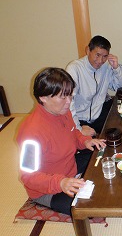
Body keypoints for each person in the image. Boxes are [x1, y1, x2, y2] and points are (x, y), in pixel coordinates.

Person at [17, 67, 106, 215]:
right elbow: (28, 177)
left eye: (70, 95)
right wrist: (61, 182)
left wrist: (85, 142)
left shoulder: (63, 111)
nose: (68, 102)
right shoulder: (31, 133)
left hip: (70, 167)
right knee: (90, 209)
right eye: (63, 97)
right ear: (43, 98)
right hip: (48, 189)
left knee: (103, 154)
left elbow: (74, 134)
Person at [66, 35, 122, 136]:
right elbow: (68, 102)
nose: (100, 61)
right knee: (89, 148)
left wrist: (116, 68)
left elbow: (119, 87)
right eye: (97, 55)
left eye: (104, 56)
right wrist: (78, 129)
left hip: (98, 114)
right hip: (80, 119)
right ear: (88, 50)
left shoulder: (105, 67)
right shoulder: (74, 68)